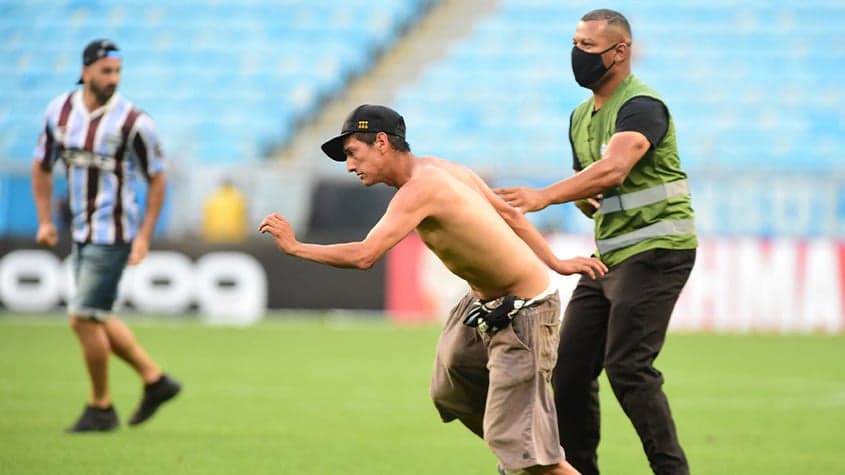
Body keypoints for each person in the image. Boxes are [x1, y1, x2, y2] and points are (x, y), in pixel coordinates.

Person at [259, 104, 607, 475]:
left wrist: (296, 247)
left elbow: (365, 255)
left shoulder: (419, 189)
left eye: (351, 154)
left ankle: (523, 458)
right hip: (483, 304)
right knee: (451, 394)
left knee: (527, 453)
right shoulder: (441, 167)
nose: (348, 165)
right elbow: (509, 213)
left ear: (380, 142)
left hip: (523, 313)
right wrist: (555, 261)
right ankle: (518, 456)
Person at [495, 9, 697, 475]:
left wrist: (544, 196)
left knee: (628, 368)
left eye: (587, 46)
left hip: (657, 251)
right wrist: (586, 202)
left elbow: (613, 169)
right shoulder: (580, 116)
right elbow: (593, 189)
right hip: (609, 256)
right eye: (575, 43)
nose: (576, 54)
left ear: (620, 52)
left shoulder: (642, 105)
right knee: (567, 372)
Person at [31, 39, 182, 432]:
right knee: (96, 314)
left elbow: (158, 178)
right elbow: (41, 165)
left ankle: (101, 407)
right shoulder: (59, 112)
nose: (114, 79)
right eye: (106, 71)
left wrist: (145, 236)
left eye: (117, 72)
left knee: (83, 318)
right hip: (79, 228)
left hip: (114, 232)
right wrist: (45, 220)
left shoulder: (134, 121)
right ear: (85, 72)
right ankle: (155, 380)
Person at [201, 178, 248, 243]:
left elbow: (207, 217)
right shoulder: (238, 198)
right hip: (234, 235)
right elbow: (243, 217)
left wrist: (205, 231)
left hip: (214, 234)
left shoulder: (212, 197)